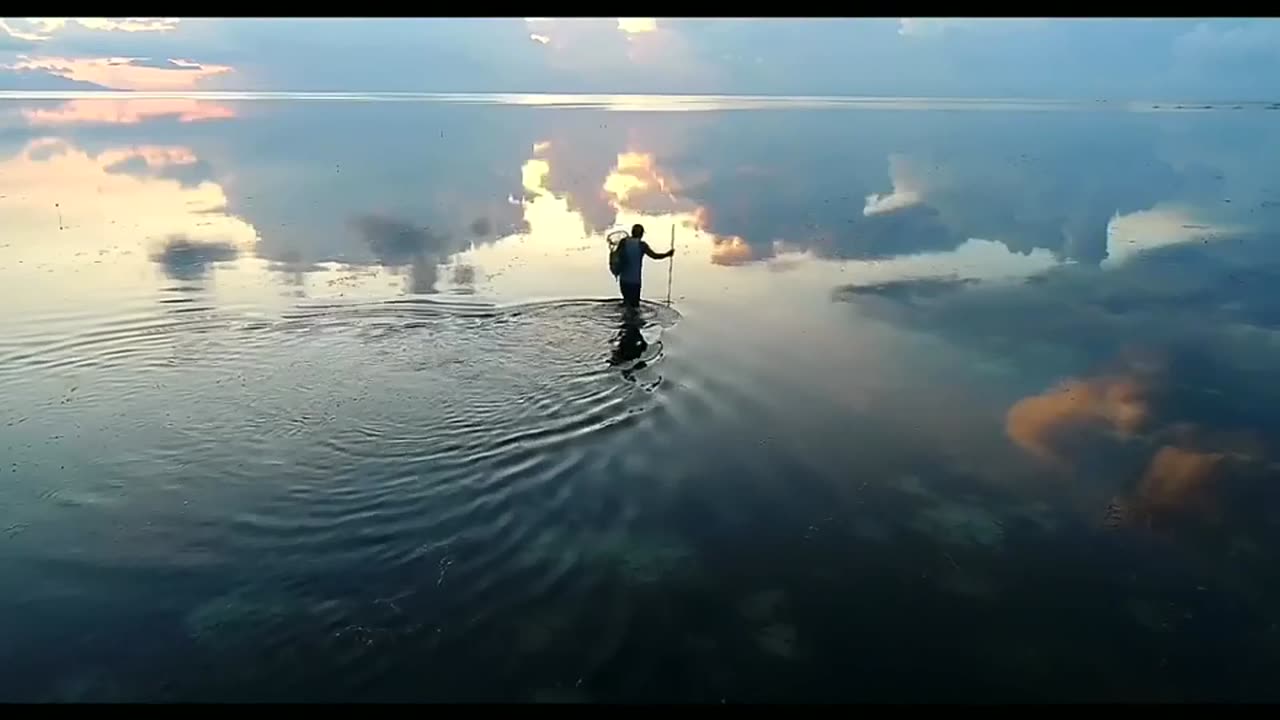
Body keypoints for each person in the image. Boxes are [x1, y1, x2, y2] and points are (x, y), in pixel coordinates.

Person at [616, 223, 673, 309]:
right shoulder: (642, 245)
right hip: (635, 281)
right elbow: (654, 256)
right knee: (635, 306)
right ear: (641, 234)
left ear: (632, 232)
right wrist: (668, 254)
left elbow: (616, 256)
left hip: (623, 279)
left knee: (626, 303)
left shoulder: (623, 242)